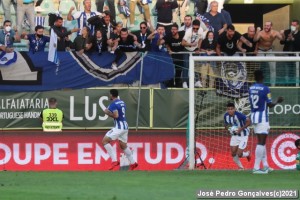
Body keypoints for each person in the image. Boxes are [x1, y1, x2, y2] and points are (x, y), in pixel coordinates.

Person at [249, 70, 284, 174]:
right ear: (262, 77)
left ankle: (265, 166)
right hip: (262, 117)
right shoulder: (265, 88)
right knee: (261, 142)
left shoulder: (251, 88)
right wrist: (278, 101)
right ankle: (256, 168)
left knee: (262, 143)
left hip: (254, 116)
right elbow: (269, 105)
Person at [102, 89, 138, 170]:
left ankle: (114, 160)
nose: (109, 95)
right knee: (123, 145)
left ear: (111, 95)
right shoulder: (122, 102)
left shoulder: (113, 104)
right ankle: (133, 163)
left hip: (119, 127)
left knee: (104, 141)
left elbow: (116, 116)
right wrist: (108, 110)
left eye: (109, 94)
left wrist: (107, 113)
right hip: (125, 126)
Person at [254, 21, 284, 86]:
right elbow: (255, 40)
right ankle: (257, 84)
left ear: (271, 26)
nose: (266, 27)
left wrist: (283, 34)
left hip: (269, 50)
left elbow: (282, 39)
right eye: (265, 25)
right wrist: (257, 31)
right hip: (260, 50)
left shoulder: (275, 33)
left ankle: (273, 84)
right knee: (257, 67)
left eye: (268, 26)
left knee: (273, 67)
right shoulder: (261, 33)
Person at [224, 102, 251, 170]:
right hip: (234, 135)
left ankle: (247, 154)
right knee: (233, 153)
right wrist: (229, 130)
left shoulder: (239, 115)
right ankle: (241, 167)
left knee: (239, 154)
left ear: (234, 109)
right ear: (227, 110)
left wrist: (240, 129)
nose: (230, 110)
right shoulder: (226, 116)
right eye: (229, 109)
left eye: (232, 109)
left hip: (243, 135)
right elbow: (226, 125)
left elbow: (249, 122)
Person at [181, 19, 205, 88]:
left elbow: (200, 39)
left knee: (196, 65)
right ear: (192, 26)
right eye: (194, 28)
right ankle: (184, 82)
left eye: (197, 28)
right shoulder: (188, 32)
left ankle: (197, 81)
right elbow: (183, 43)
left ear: (199, 27)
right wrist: (190, 44)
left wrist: (198, 48)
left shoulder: (200, 30)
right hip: (187, 49)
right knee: (186, 65)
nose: (195, 29)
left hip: (195, 49)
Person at [160, 23, 185, 87]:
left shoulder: (182, 34)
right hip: (172, 56)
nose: (173, 31)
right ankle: (170, 84)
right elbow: (164, 43)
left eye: (175, 29)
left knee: (178, 72)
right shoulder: (168, 35)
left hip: (181, 56)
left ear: (177, 30)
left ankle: (177, 84)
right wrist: (169, 49)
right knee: (171, 71)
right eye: (172, 29)